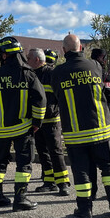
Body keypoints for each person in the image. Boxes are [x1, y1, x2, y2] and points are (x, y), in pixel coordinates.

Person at [50, 34, 110, 218]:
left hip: (76, 133)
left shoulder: (57, 72)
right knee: (108, 167)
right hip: (101, 129)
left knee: (81, 172)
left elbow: (56, 97)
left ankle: (84, 209)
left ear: (63, 51)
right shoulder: (95, 66)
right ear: (81, 48)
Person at [0, 37, 46, 211]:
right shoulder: (28, 74)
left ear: (4, 55)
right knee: (23, 164)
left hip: (0, 131)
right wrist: (36, 123)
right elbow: (40, 100)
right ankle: (20, 198)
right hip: (23, 129)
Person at [27, 48, 70, 196]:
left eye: (29, 59)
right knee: (43, 152)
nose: (27, 61)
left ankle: (63, 183)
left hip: (51, 120)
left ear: (37, 60)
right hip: (37, 122)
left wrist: (52, 109)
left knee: (55, 151)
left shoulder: (51, 74)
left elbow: (61, 96)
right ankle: (49, 182)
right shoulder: (31, 74)